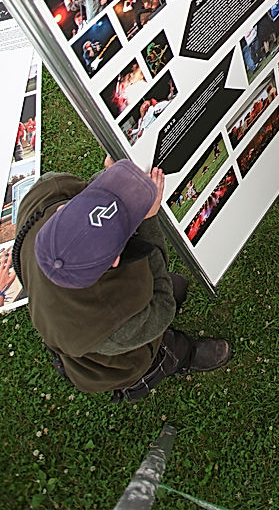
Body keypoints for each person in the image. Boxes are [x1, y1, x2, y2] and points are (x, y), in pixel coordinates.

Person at [13, 158, 231, 401]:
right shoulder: (112, 324)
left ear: (61, 211)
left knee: (174, 286)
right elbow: (162, 305)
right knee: (155, 344)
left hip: (63, 308)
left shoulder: (44, 196)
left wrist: (115, 178)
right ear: (115, 261)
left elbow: (86, 201)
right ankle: (177, 356)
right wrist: (147, 220)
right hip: (115, 363)